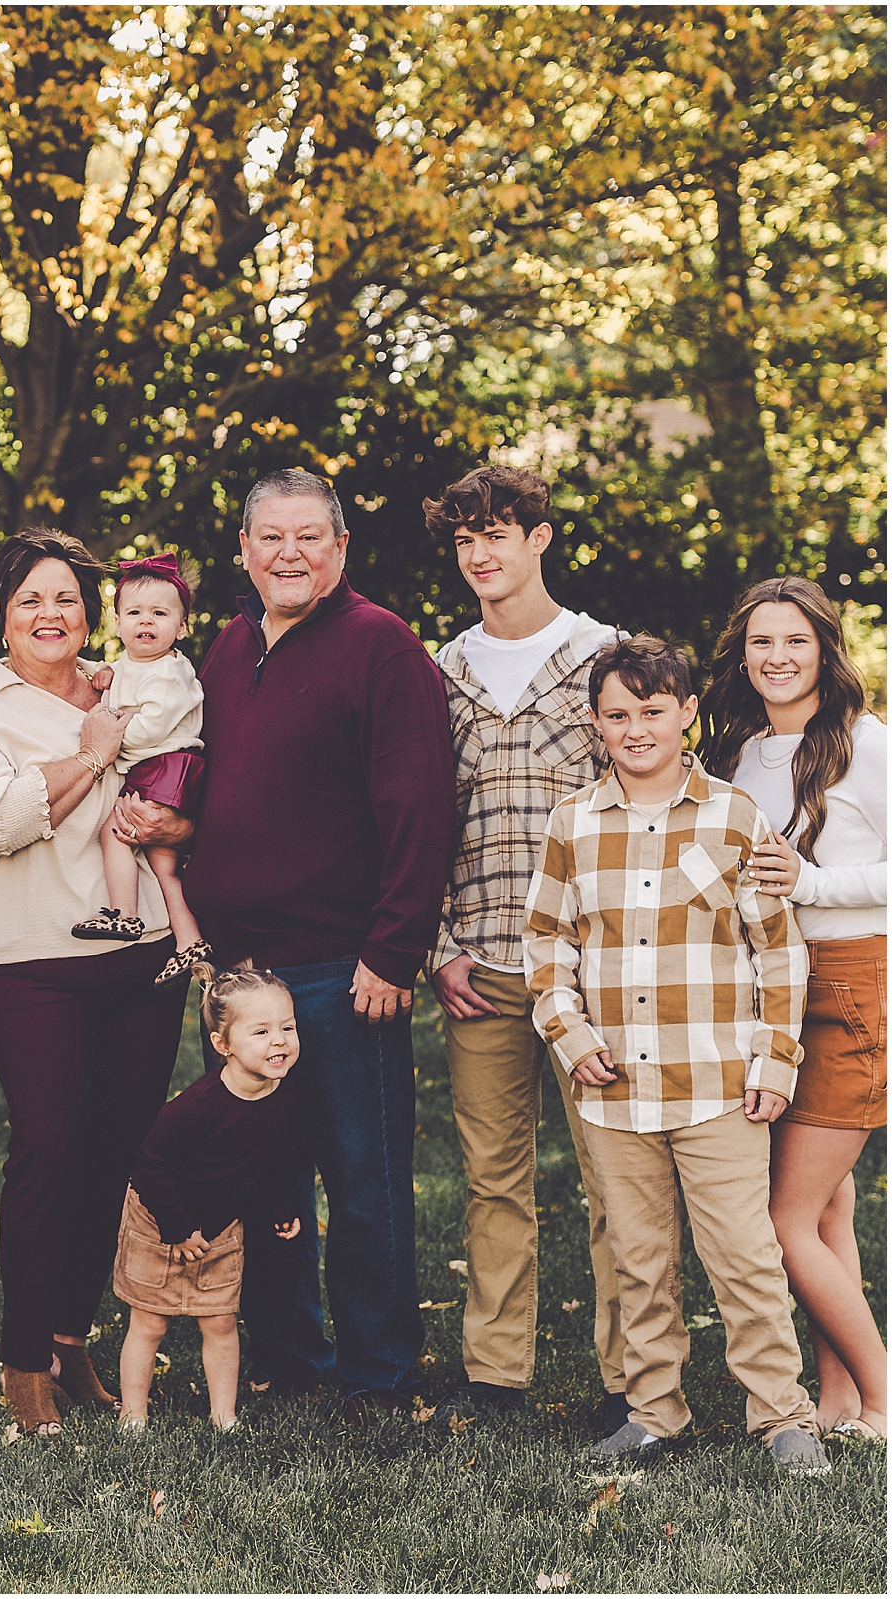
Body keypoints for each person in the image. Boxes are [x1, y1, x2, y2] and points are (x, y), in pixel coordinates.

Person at [154, 468, 456, 1421]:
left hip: (343, 964)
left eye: (309, 537)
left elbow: (421, 805)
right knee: (259, 1167)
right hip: (240, 973)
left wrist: (393, 948)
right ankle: (287, 1349)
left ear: (339, 549)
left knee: (361, 1173)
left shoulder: (381, 646)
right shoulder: (226, 647)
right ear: (242, 551)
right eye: (270, 537)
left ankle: (376, 1370)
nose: (290, 553)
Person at [525, 634, 829, 1476]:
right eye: (617, 714)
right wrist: (569, 1029)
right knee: (638, 1260)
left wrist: (776, 1059)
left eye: (653, 711)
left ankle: (781, 1413)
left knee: (743, 1255)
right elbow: (546, 943)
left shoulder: (735, 817)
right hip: (614, 1086)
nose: (636, 728)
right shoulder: (572, 823)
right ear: (594, 723)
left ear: (688, 713)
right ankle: (655, 1408)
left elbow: (777, 950)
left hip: (718, 1085)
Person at [0, 528, 193, 1437]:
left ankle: (72, 1337)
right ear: (3, 613)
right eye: (31, 599)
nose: (51, 615)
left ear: (94, 612)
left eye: (68, 599)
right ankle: (22, 1360)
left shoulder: (131, 684)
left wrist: (163, 806)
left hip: (140, 949)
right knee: (50, 1145)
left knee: (115, 1155)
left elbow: (183, 779)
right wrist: (87, 757)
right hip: (25, 955)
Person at [420, 464, 629, 1433]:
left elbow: (647, 807)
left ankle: (631, 1377)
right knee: (492, 1178)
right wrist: (437, 945)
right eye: (465, 539)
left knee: (610, 1178)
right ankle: (494, 1376)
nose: (480, 553)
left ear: (538, 539)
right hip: (480, 967)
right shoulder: (440, 670)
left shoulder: (605, 659)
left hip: (591, 976)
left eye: (497, 534)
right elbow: (416, 816)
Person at [702, 576, 887, 1441]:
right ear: (744, 656)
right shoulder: (738, 754)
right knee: (826, 1210)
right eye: (761, 643)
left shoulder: (865, 743)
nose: (777, 659)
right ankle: (838, 1397)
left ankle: (884, 1395)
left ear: (825, 650)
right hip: (770, 989)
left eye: (795, 642)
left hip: (849, 983)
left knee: (783, 1217)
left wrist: (813, 882)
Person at [114, 963, 303, 1432]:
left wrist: (281, 1204)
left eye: (288, 1027)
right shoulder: (195, 1108)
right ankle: (132, 1414)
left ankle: (224, 1416)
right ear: (222, 1045)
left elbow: (266, 1154)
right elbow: (149, 1168)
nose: (278, 1040)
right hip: (160, 1220)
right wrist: (177, 1230)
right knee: (150, 1324)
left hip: (219, 1226)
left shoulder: (281, 1093)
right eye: (260, 1031)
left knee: (219, 1324)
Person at [70, 551, 212, 986]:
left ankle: (123, 915)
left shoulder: (170, 673)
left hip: (165, 764)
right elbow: (126, 685)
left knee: (114, 833)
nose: (145, 622)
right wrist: (106, 678)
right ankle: (190, 942)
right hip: (166, 768)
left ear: (182, 627)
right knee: (163, 864)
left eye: (159, 613)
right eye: (134, 612)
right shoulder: (134, 666)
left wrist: (109, 734)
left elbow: (147, 728)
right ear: (117, 623)